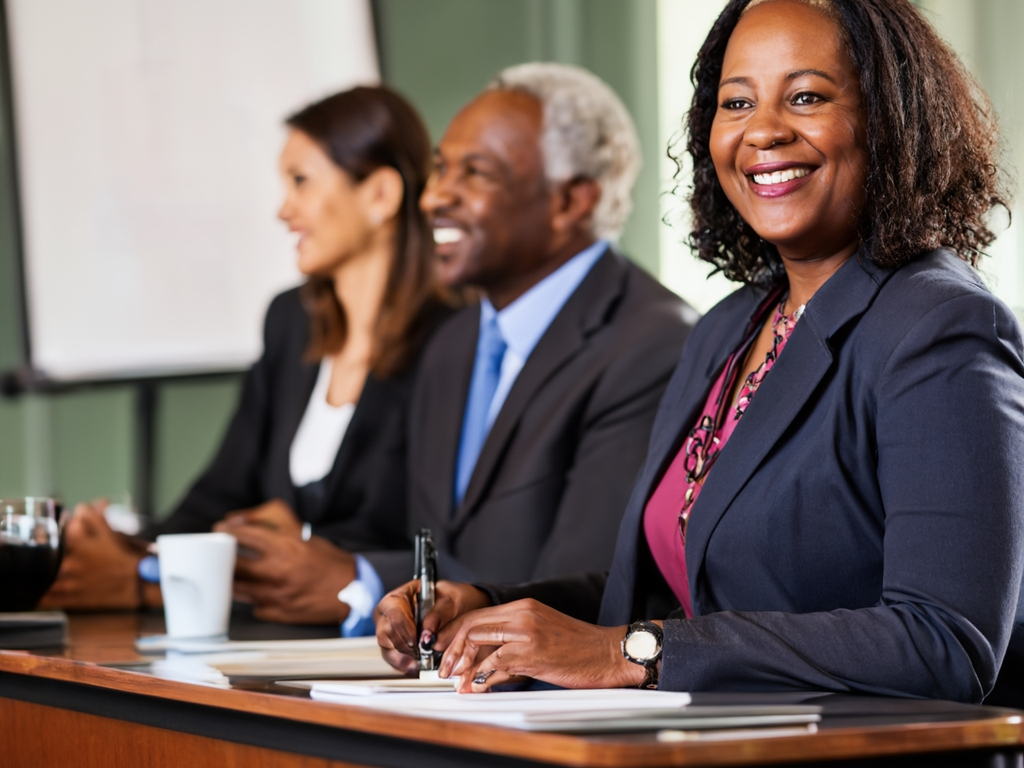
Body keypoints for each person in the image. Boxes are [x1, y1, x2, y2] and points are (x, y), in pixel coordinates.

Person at [376, 0, 1024, 707]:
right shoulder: (730, 327)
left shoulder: (941, 326)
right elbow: (683, 594)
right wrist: (490, 607)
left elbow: (945, 642)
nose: (764, 131)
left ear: (893, 120)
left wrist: (631, 652)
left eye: (806, 97)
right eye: (736, 102)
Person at [43, 86, 453, 632]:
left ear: (379, 193)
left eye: (301, 182)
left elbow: (434, 542)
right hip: (263, 641)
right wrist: (124, 546)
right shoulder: (290, 321)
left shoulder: (454, 339)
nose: (284, 210)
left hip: (378, 650)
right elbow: (218, 497)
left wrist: (148, 579)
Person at [357, 63, 697, 592]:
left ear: (571, 200)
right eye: (441, 168)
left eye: (475, 173)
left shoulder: (655, 347)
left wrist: (372, 579)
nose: (433, 197)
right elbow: (437, 549)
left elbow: (584, 587)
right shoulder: (451, 343)